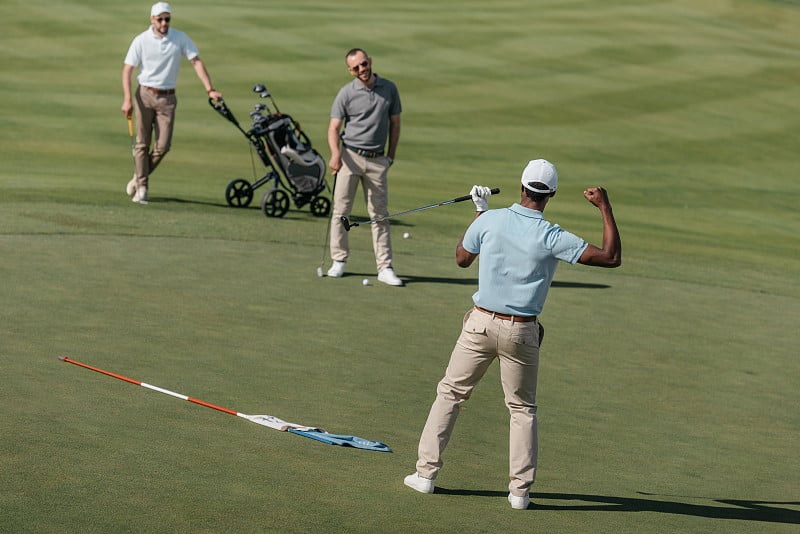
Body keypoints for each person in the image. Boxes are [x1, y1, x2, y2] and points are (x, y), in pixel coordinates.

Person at [403, 159, 622, 510]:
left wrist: (480, 211)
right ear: (550, 194)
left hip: (479, 324)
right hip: (522, 331)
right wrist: (605, 207)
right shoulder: (552, 235)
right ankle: (519, 493)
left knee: (451, 394)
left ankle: (425, 475)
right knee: (522, 409)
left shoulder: (490, 220)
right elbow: (611, 257)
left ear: (521, 187)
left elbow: (462, 258)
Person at [120, 2, 223, 205]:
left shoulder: (179, 38)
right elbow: (128, 70)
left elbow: (196, 61)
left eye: (167, 19)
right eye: (160, 19)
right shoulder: (141, 40)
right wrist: (126, 99)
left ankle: (139, 174)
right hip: (145, 94)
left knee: (163, 146)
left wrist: (209, 89)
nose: (164, 23)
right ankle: (142, 188)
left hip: (168, 99)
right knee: (142, 144)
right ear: (152, 20)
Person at [326, 48, 403, 286]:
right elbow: (333, 129)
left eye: (364, 64)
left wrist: (390, 156)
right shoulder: (346, 93)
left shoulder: (388, 88)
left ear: (370, 62)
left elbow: (395, 124)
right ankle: (339, 260)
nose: (362, 69)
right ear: (351, 70)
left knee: (379, 214)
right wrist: (336, 155)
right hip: (349, 157)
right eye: (356, 67)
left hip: (378, 159)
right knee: (341, 211)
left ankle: (384, 267)